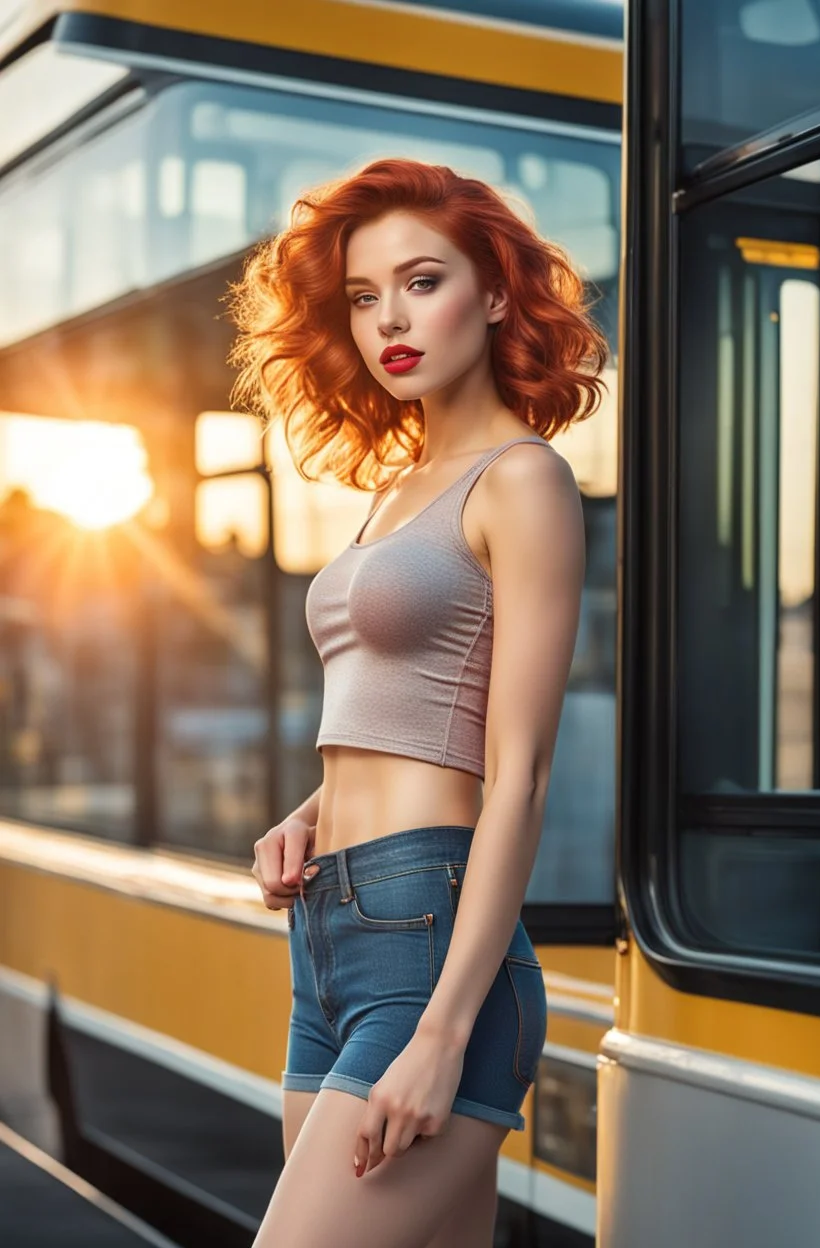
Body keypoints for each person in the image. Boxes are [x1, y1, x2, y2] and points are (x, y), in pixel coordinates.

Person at [230, 157, 606, 1248]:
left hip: (428, 942)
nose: (388, 317)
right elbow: (402, 706)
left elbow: (518, 772)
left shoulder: (522, 480)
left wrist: (444, 1032)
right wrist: (311, 813)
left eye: (422, 281)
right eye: (361, 296)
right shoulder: (395, 491)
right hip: (330, 934)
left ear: (494, 293)